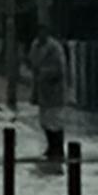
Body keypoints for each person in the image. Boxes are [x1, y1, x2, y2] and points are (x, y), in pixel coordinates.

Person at [29, 30, 68, 161]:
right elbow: (33, 65)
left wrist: (44, 73)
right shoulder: (35, 46)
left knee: (55, 120)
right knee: (44, 120)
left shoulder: (55, 48)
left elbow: (59, 70)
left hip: (54, 91)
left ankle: (58, 148)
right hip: (42, 91)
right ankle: (51, 147)